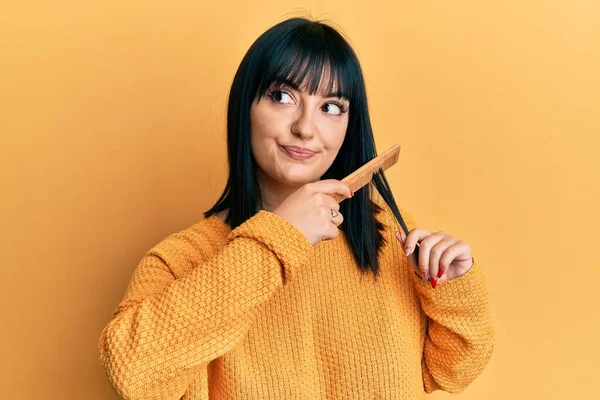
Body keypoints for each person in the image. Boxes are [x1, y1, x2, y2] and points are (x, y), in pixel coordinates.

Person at [98, 17, 494, 400]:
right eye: (282, 96)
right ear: (244, 107)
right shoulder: (181, 259)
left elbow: (451, 371)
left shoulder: (388, 236)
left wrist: (452, 285)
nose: (306, 127)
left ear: (349, 126)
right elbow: (134, 377)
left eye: (332, 107)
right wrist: (278, 238)